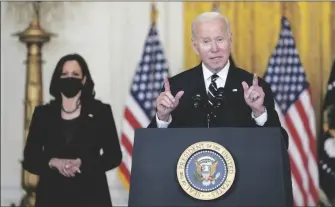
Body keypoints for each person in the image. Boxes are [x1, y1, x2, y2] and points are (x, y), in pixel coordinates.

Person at [148, 12, 289, 149]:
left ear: (230, 41)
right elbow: (151, 148)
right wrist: (162, 117)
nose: (214, 49)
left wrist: (259, 112)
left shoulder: (256, 87)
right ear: (195, 46)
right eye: (206, 41)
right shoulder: (176, 87)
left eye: (220, 39)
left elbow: (281, 145)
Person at [22, 53, 123, 207]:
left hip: (92, 196)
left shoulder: (100, 112)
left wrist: (83, 163)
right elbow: (30, 158)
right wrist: (52, 162)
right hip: (51, 196)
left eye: (75, 74)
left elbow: (114, 156)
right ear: (57, 79)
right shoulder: (43, 114)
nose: (70, 78)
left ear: (84, 79)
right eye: (65, 74)